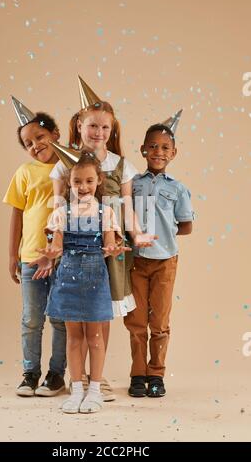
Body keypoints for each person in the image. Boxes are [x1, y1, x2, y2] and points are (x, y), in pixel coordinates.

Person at [51, 95, 153, 400]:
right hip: (74, 248)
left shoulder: (121, 165)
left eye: (105, 127)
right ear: (80, 126)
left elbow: (128, 206)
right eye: (93, 125)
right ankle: (76, 378)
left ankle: (98, 377)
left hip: (110, 247)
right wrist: (51, 242)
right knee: (74, 316)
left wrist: (137, 234)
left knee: (101, 311)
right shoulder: (64, 163)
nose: (98, 132)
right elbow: (56, 206)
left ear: (112, 129)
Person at [38, 152, 131, 413]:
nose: (83, 187)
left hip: (94, 278)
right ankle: (76, 390)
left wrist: (114, 250)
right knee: (73, 337)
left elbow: (110, 244)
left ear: (99, 180)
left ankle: (95, 391)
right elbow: (56, 247)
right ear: (69, 183)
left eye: (89, 181)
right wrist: (49, 254)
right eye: (77, 182)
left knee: (95, 336)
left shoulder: (106, 212)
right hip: (67, 278)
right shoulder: (60, 213)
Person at [124, 115, 194, 398]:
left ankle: (157, 374)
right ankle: (138, 374)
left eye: (165, 147)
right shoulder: (134, 184)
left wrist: (162, 236)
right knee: (136, 320)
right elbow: (125, 215)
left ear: (173, 153)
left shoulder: (177, 189)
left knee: (160, 322)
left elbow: (186, 225)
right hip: (137, 261)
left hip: (165, 262)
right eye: (153, 146)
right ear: (143, 150)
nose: (158, 152)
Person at [3, 97, 66, 397]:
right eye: (28, 143)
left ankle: (56, 375)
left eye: (40, 137)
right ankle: (30, 373)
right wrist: (11, 254)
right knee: (31, 318)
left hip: (63, 257)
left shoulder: (70, 167)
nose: (35, 145)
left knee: (60, 318)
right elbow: (16, 213)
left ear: (55, 134)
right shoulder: (25, 172)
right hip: (31, 257)